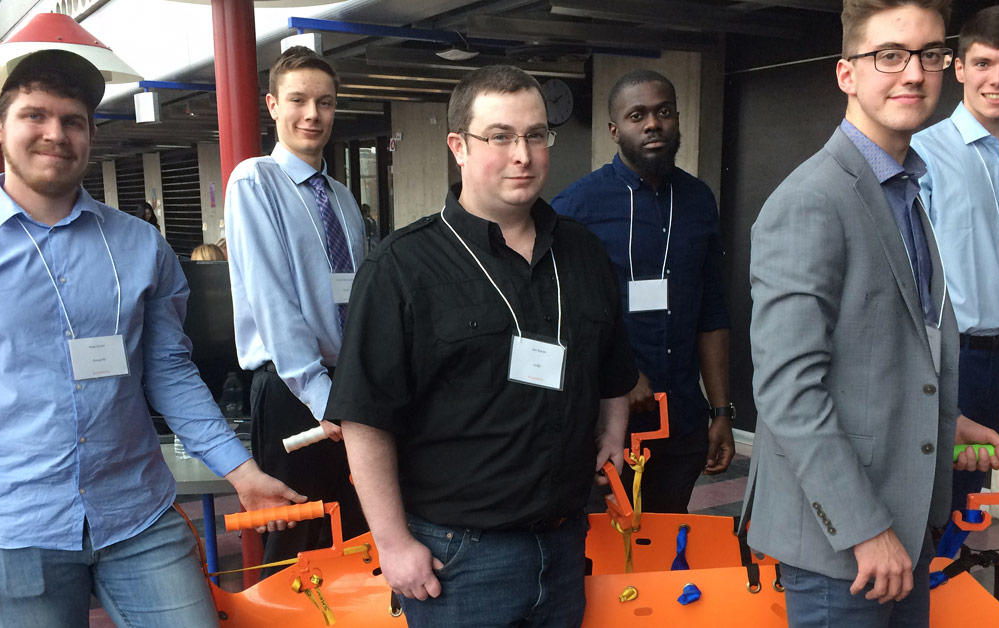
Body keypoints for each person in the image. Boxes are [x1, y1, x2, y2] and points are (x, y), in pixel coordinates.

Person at [0, 49, 301, 626]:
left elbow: (170, 372)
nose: (55, 134)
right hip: (17, 526)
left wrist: (241, 470)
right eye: (35, 115)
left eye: (73, 120)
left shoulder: (139, 246)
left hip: (138, 514)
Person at [326, 65, 638, 627]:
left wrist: (613, 432)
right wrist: (392, 544)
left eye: (536, 135)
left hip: (564, 547)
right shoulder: (402, 267)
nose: (523, 154)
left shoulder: (585, 253)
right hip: (459, 558)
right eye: (500, 137)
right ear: (459, 147)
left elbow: (612, 367)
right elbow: (365, 419)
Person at [740, 1, 999, 623]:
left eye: (929, 54)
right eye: (889, 55)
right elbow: (788, 392)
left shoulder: (904, 188)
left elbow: (881, 351)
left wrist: (946, 422)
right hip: (846, 549)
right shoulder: (812, 201)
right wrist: (864, 529)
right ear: (847, 75)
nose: (913, 73)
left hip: (903, 523)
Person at [553, 70, 734, 513]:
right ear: (615, 130)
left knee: (671, 539)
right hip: (607, 425)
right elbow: (559, 316)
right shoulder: (576, 208)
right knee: (608, 553)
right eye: (638, 115)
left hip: (684, 423)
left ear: (677, 121)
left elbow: (711, 313)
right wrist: (620, 373)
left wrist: (721, 412)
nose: (653, 123)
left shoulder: (698, 201)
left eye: (663, 112)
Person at [224, 46, 367, 569]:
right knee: (299, 542)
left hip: (346, 387)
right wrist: (321, 395)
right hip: (294, 390)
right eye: (298, 100)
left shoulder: (343, 199)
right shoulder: (254, 181)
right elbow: (272, 300)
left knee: (353, 532)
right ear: (272, 105)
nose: (313, 114)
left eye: (325, 102)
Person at [911, 4, 999, 515]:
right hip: (938, 361)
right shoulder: (921, 153)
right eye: (984, 63)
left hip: (996, 364)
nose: (998, 78)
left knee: (963, 511)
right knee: (923, 507)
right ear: (959, 67)